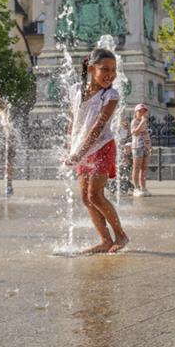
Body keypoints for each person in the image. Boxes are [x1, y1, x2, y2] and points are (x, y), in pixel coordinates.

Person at [65, 48, 129, 254]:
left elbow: (98, 126)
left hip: (102, 146)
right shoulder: (76, 89)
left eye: (114, 70)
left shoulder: (111, 94)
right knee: (85, 197)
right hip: (81, 149)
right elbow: (73, 120)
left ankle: (121, 235)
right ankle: (105, 240)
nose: (111, 74)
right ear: (91, 69)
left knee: (95, 195)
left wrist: (78, 153)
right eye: (105, 69)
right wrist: (70, 147)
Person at [130, 103, 152, 197]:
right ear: (136, 112)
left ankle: (143, 187)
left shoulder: (145, 121)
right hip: (137, 147)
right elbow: (134, 133)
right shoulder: (134, 121)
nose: (142, 113)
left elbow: (146, 135)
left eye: (144, 111)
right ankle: (136, 188)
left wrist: (150, 146)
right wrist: (142, 122)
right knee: (137, 167)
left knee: (144, 168)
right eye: (140, 111)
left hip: (145, 147)